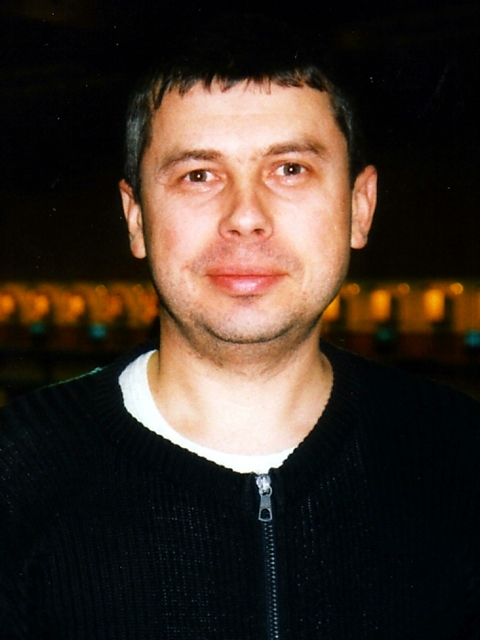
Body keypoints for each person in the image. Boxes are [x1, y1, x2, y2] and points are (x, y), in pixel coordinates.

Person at [1, 14, 479, 639]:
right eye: (198, 175)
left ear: (359, 208)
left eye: (290, 169)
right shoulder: (15, 473)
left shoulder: (459, 455)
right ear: (137, 219)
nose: (246, 216)